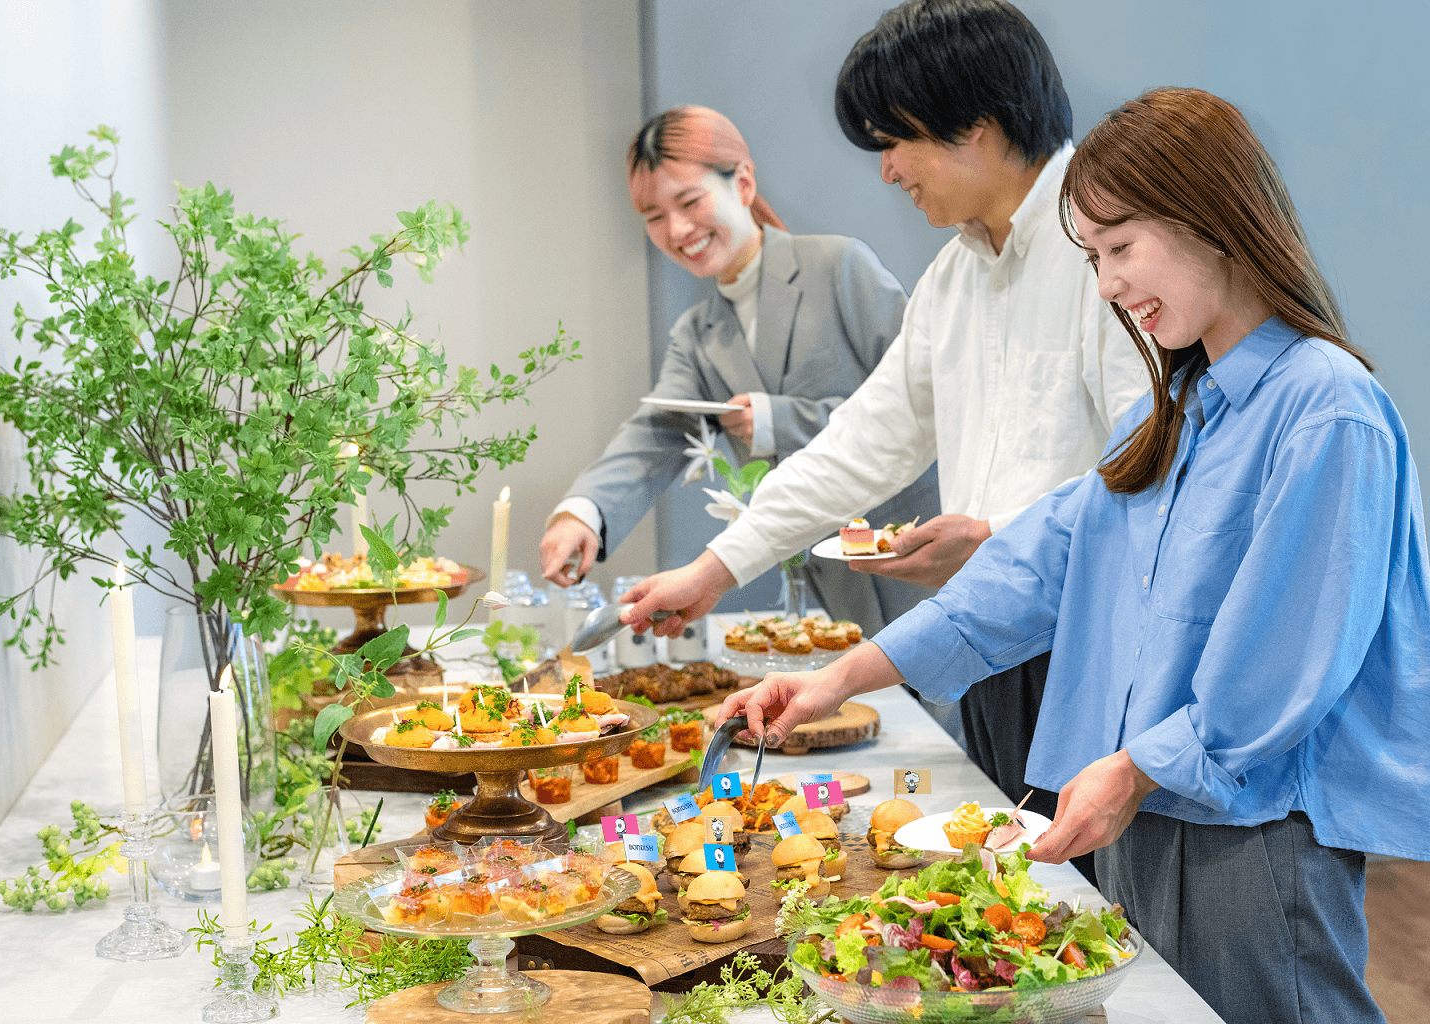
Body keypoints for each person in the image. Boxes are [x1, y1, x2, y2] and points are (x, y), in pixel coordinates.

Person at [718, 87, 1425, 1024]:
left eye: (1120, 248)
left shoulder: (1327, 409)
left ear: (1212, 218)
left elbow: (1283, 661)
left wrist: (1134, 769)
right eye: (1092, 258)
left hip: (1248, 835)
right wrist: (838, 679)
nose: (1107, 287)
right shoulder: (1171, 410)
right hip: (1138, 809)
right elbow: (1033, 568)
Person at [621, 0, 1148, 885]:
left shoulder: (1106, 255)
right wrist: (715, 569)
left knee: (1094, 910)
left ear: (977, 126)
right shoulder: (955, 276)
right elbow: (864, 441)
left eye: (895, 140)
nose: (888, 169)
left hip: (1093, 648)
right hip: (983, 635)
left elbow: (1148, 470)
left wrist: (999, 536)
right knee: (1013, 897)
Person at [539, 105, 940, 635]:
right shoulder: (697, 333)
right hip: (832, 594)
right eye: (654, 217)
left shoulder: (839, 266)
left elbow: (928, 403)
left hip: (920, 563)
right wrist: (582, 511)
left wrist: (780, 420)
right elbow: (655, 434)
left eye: (689, 202)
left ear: (744, 183)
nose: (677, 229)